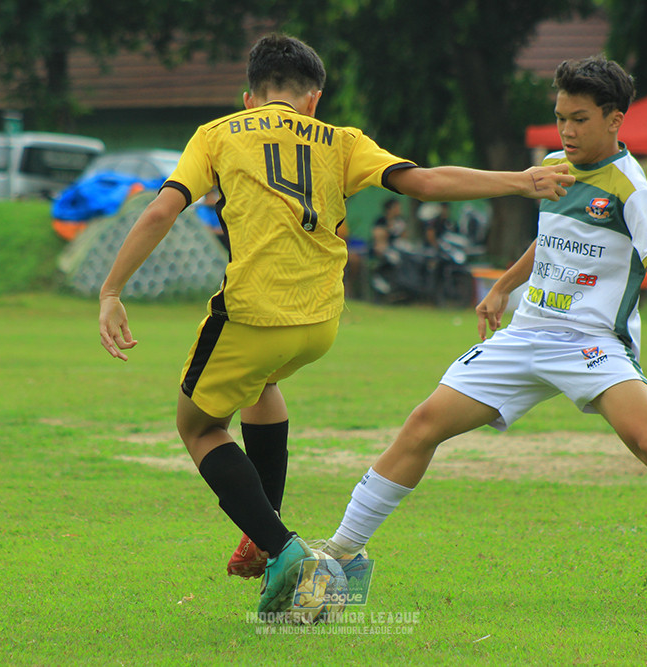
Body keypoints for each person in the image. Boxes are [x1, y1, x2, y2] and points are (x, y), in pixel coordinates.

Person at [97, 33, 575, 616]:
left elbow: (161, 210)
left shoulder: (218, 133)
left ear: (250, 98)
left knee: (198, 428)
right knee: (262, 385)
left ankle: (285, 550)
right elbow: (424, 181)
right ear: (314, 100)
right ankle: (263, 533)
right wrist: (522, 180)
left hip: (253, 313)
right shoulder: (342, 140)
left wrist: (112, 290)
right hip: (321, 320)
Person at [314, 55, 647, 609]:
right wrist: (502, 287)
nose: (566, 130)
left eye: (580, 119)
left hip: (593, 344)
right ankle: (342, 549)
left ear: (614, 119)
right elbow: (549, 239)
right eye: (561, 117)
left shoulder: (631, 187)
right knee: (423, 424)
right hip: (527, 335)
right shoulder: (551, 168)